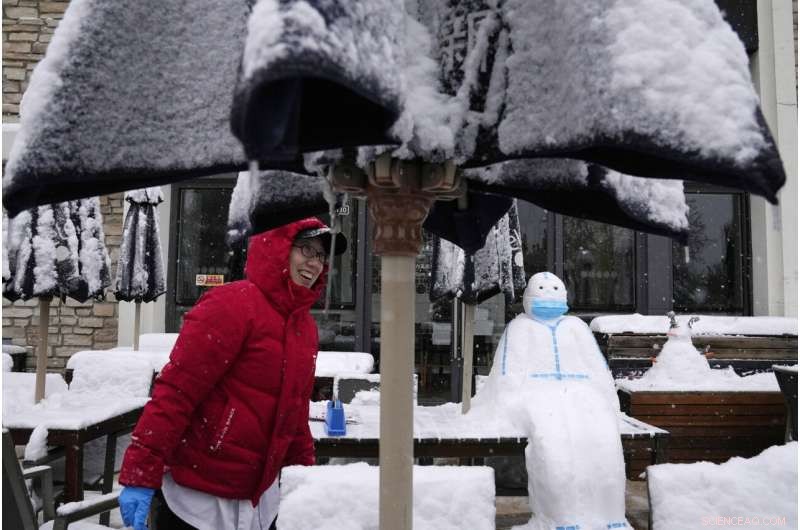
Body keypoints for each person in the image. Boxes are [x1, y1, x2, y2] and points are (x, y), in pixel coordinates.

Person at [117, 218, 346, 530]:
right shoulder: (231, 304)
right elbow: (176, 392)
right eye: (306, 249)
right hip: (198, 502)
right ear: (279, 249)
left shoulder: (303, 327)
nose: (314, 262)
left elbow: (295, 412)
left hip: (260, 504)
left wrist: (304, 477)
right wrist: (141, 473)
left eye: (321, 256)